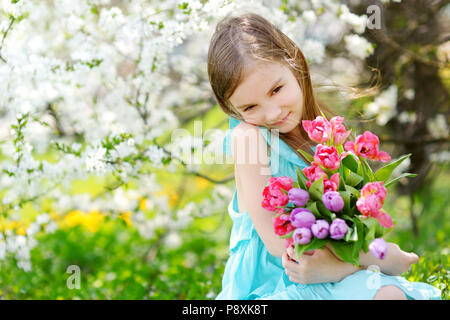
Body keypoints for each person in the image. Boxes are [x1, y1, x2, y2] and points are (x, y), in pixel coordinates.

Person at [207, 12, 441, 300]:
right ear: (232, 109)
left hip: (328, 269)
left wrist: (345, 264)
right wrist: (375, 258)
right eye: (250, 106)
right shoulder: (249, 138)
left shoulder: (324, 137)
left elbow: (346, 222)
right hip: (277, 282)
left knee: (388, 294)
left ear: (294, 63)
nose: (272, 112)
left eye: (276, 89)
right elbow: (280, 244)